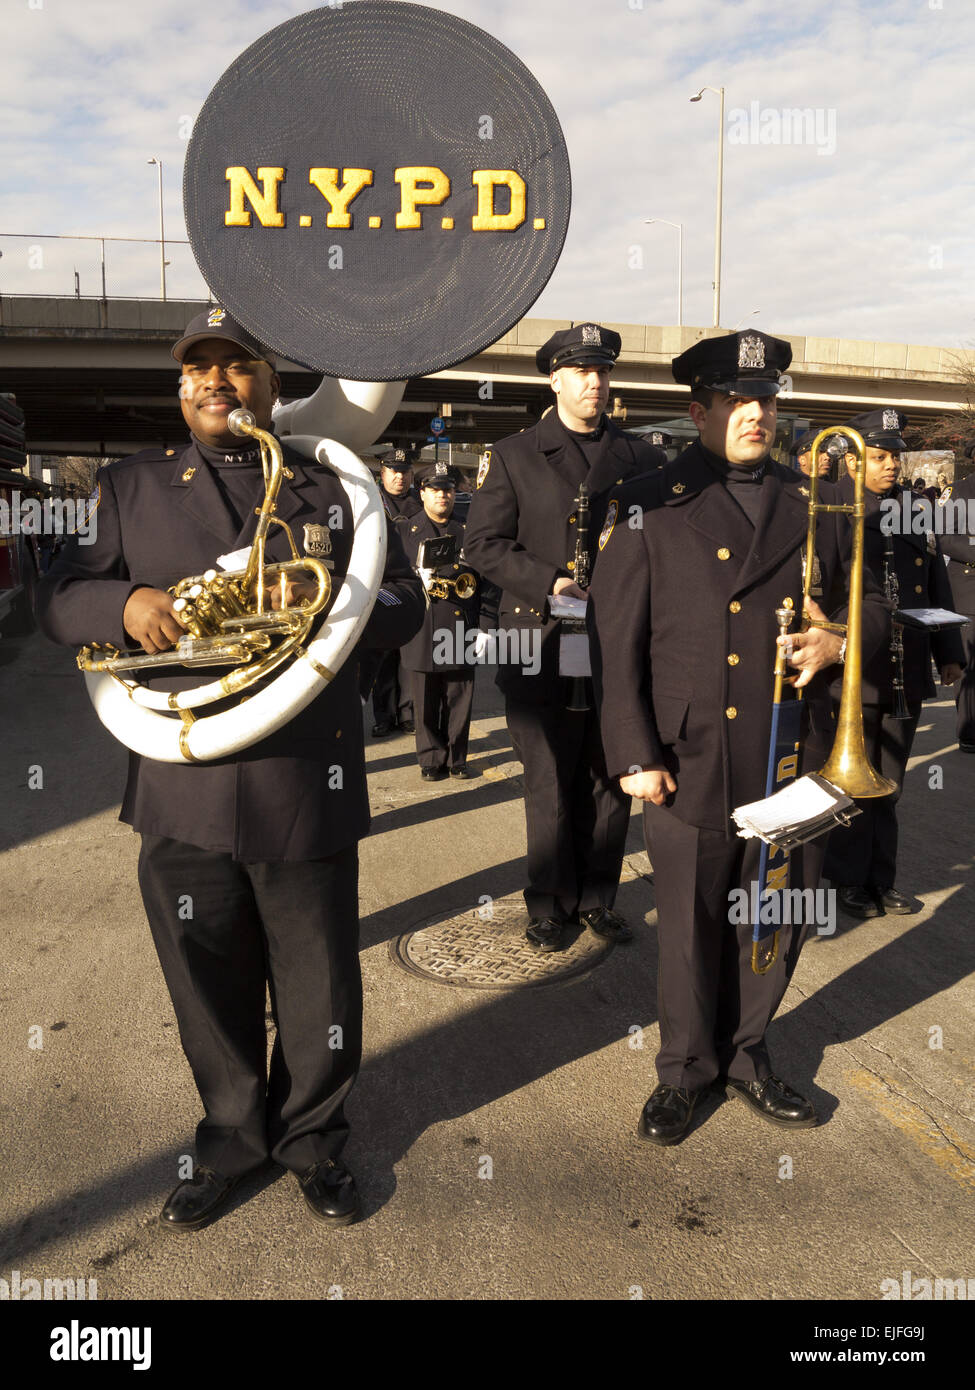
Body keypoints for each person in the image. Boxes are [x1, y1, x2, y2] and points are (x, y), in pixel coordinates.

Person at [37, 308, 424, 1231]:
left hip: (305, 782)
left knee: (318, 983)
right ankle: (232, 1138)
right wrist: (123, 601)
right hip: (182, 786)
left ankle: (313, 1143)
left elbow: (406, 606)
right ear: (180, 390)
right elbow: (59, 599)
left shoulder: (335, 488)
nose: (217, 381)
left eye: (238, 365)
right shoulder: (132, 485)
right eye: (199, 369)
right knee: (204, 983)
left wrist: (336, 597)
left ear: (272, 379)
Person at [588, 330, 890, 1145]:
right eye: (734, 400)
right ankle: (684, 1070)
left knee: (778, 910)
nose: (754, 413)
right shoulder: (650, 500)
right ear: (699, 410)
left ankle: (748, 1055)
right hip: (689, 755)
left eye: (765, 399)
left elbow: (875, 609)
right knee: (688, 921)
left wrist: (839, 645)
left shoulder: (817, 500)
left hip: (793, 751)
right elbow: (615, 647)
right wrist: (633, 755)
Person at [464, 322, 666, 952]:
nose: (595, 383)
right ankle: (551, 901)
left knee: (609, 778)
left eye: (602, 372)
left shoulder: (642, 458)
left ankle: (599, 896)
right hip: (542, 639)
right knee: (550, 778)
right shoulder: (516, 454)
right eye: (580, 372)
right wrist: (549, 581)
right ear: (554, 379)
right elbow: (483, 546)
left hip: (614, 644)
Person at [823, 410, 964, 917]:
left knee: (890, 781)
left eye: (894, 457)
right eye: (879, 457)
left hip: (909, 663)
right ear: (855, 458)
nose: (889, 466)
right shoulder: (833, 504)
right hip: (858, 664)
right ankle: (845, 879)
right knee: (850, 780)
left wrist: (949, 651)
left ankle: (881, 878)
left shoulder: (912, 507)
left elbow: (936, 579)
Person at [400, 463, 497, 780]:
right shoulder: (405, 530)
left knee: (459, 696)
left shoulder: (470, 530)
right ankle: (430, 758)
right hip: (422, 625)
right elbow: (391, 579)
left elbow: (489, 582)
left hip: (461, 624)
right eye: (436, 489)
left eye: (449, 489)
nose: (443, 495)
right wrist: (416, 580)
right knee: (424, 699)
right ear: (423, 492)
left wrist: (486, 625)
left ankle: (457, 757)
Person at [360, 447, 423, 736]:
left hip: (414, 583)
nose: (400, 477)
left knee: (408, 654)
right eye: (394, 471)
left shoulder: (421, 503)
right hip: (382, 582)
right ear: (382, 473)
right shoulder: (372, 502)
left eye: (405, 472)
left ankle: (407, 713)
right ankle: (383, 715)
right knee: (381, 654)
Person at [939, 445, 975, 752]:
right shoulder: (959, 491)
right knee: (970, 667)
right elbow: (944, 536)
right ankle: (970, 731)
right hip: (969, 589)